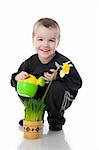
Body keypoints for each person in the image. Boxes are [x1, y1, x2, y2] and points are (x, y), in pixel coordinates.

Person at [11, 18, 82, 131]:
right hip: (38, 98)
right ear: (33, 40)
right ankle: (35, 114)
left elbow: (77, 83)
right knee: (23, 84)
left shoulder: (64, 63)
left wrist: (57, 77)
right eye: (40, 39)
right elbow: (13, 81)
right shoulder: (30, 62)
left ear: (58, 42)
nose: (45, 44)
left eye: (51, 40)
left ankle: (55, 119)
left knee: (55, 87)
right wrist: (17, 77)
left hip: (60, 97)